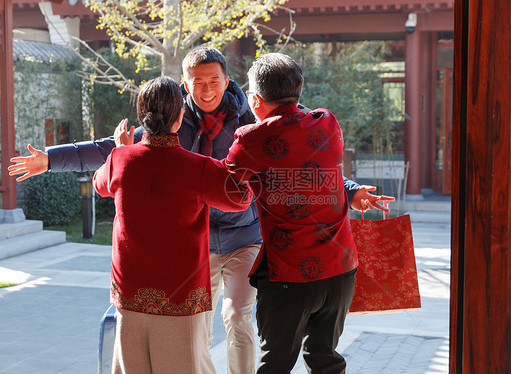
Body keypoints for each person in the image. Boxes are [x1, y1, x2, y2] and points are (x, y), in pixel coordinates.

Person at [8, 46, 390, 373]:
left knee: (240, 318)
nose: (206, 89)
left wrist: (349, 189)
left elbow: (300, 158)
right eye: (197, 82)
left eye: (214, 80)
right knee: (200, 329)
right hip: (205, 245)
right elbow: (112, 149)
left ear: (230, 82)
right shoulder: (176, 120)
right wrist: (51, 159)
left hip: (245, 238)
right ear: (184, 85)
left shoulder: (251, 125)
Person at [223, 52, 394, 374]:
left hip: (290, 274)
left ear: (256, 100)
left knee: (275, 363)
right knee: (325, 358)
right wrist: (350, 189)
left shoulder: (250, 139)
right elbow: (315, 170)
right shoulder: (327, 121)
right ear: (298, 89)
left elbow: (225, 188)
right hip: (340, 269)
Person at [92, 76, 252, 373]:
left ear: (143, 117)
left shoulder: (119, 159)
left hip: (130, 293)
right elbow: (240, 198)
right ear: (179, 117)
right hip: (181, 295)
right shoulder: (198, 167)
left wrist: (122, 148)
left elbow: (101, 185)